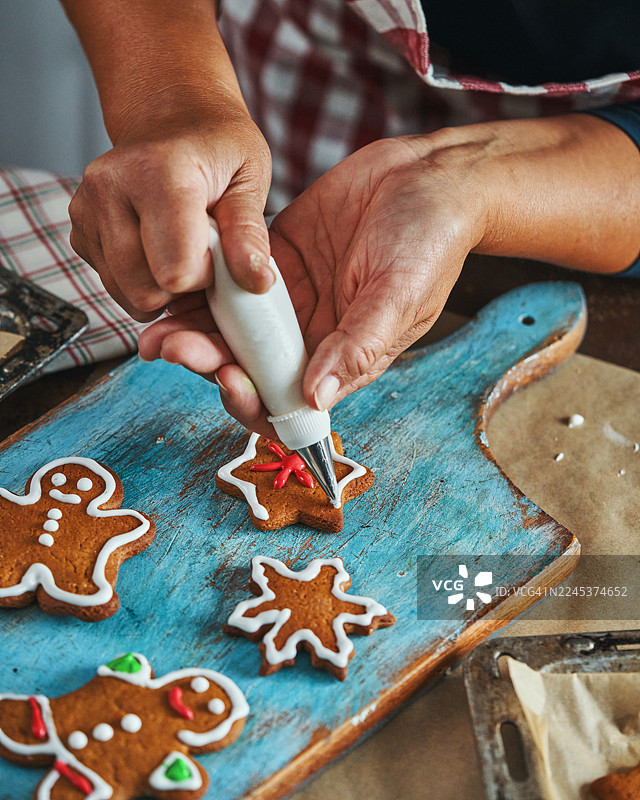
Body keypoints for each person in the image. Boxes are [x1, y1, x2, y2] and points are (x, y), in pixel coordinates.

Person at [60, 0, 640, 437]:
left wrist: (466, 184)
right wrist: (172, 100)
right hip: (310, 59)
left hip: (601, 175)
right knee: (244, 234)